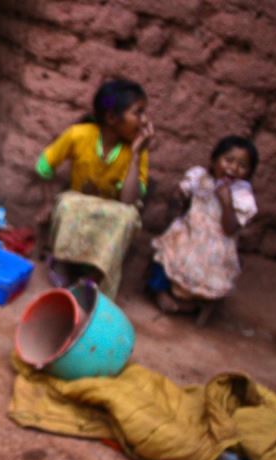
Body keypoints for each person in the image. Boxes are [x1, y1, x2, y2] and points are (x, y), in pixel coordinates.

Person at [35, 78, 154, 297]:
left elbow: (128, 200)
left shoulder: (136, 150)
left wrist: (136, 155)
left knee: (127, 216)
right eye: (138, 113)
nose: (145, 121)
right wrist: (46, 202)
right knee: (68, 203)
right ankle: (62, 263)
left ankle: (96, 275)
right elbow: (44, 166)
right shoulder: (79, 135)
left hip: (112, 208)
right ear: (111, 118)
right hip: (80, 204)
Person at [149, 135, 259, 317]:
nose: (233, 168)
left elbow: (230, 229)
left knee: (209, 272)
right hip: (189, 230)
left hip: (217, 243)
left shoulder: (242, 196)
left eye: (242, 165)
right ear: (214, 159)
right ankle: (159, 291)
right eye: (228, 160)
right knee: (166, 252)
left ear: (249, 173)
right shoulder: (200, 177)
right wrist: (179, 198)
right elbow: (181, 195)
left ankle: (193, 304)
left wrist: (226, 202)